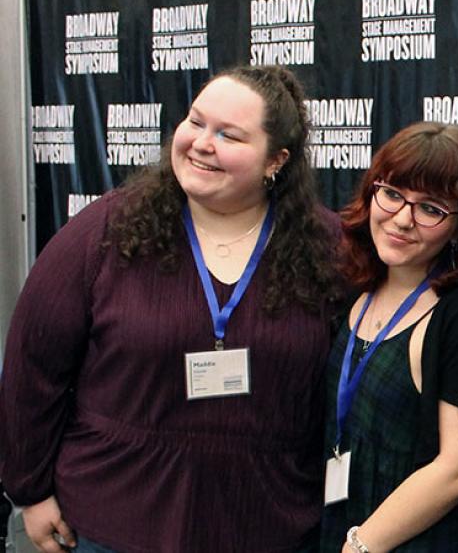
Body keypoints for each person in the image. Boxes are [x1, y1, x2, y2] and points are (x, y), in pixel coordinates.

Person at [0, 65, 342, 552]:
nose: (202, 142)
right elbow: (33, 368)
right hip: (114, 524)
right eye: (195, 121)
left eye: (229, 135)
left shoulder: (327, 250)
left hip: (269, 527)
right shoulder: (105, 234)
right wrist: (30, 492)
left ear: (276, 160)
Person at [320, 122, 458, 553]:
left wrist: (362, 545)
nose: (402, 219)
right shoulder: (357, 288)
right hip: (351, 521)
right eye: (392, 194)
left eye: (431, 209)